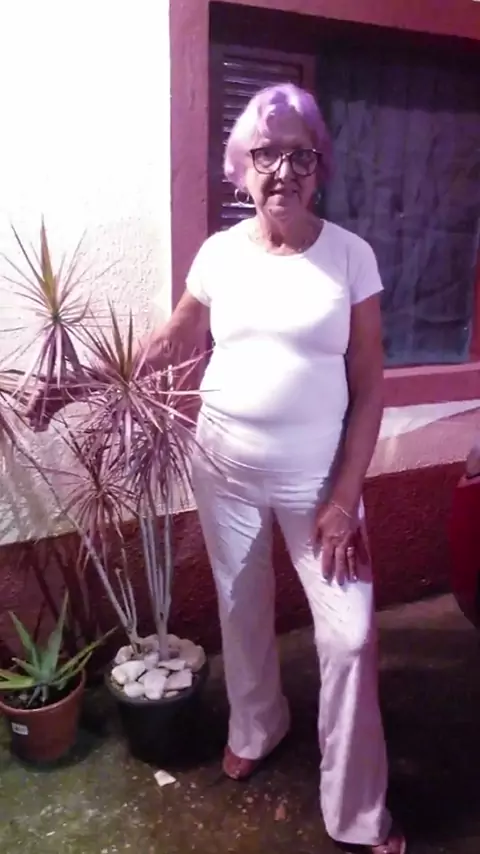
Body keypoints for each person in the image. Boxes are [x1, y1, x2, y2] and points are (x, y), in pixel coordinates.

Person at [144, 84, 406, 854]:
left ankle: (356, 810)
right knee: (240, 604)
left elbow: (370, 387)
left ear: (319, 166)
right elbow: (176, 336)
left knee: (351, 636)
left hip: (320, 483)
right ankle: (258, 725)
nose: (282, 170)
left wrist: (345, 497)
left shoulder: (351, 257)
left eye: (299, 155)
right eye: (265, 154)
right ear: (241, 166)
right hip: (223, 467)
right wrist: (87, 377)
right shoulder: (219, 255)